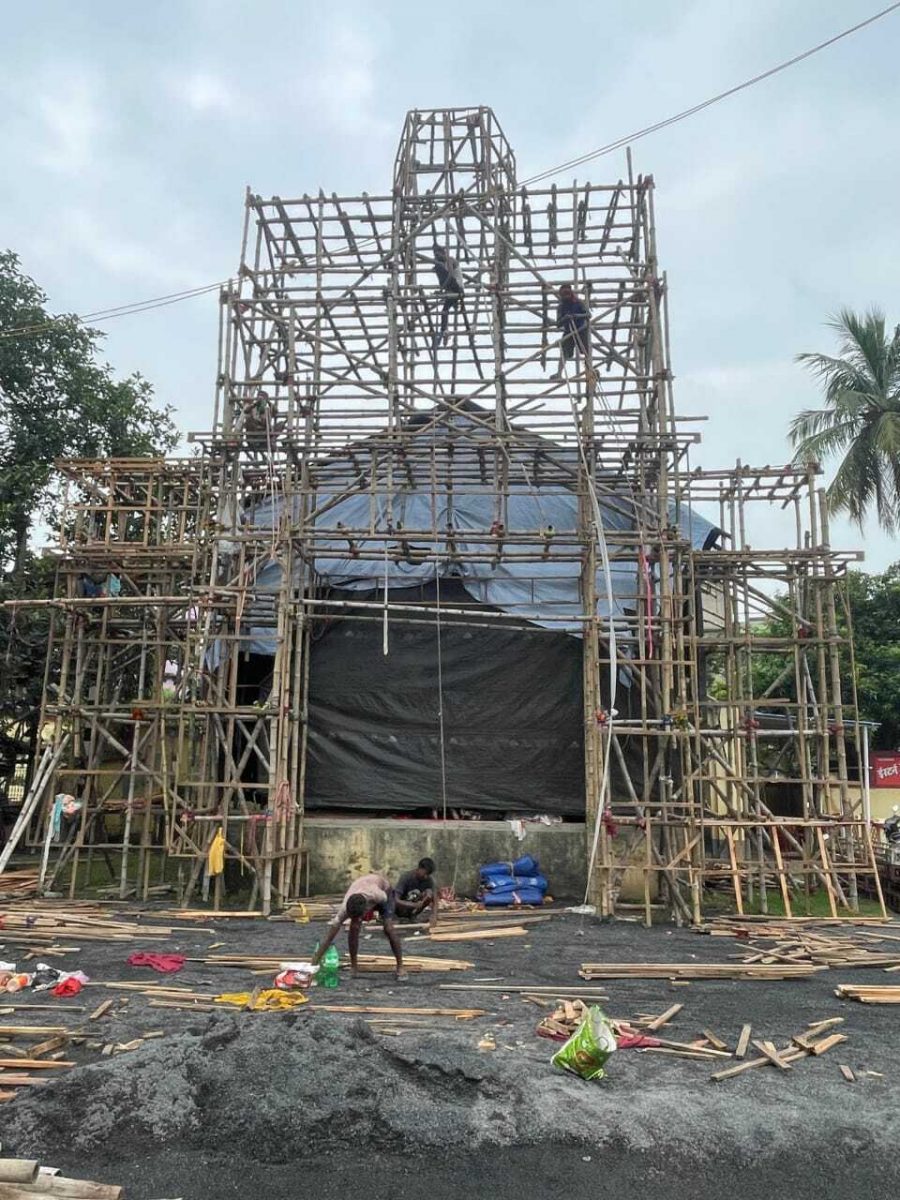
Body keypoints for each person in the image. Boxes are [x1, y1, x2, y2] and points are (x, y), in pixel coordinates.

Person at [311, 872, 406, 980]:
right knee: (354, 928)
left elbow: (386, 900)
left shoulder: (377, 895)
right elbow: (329, 937)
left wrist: (375, 911)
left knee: (388, 928)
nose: (356, 920)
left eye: (358, 917)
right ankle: (354, 967)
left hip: (385, 892)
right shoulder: (345, 908)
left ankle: (400, 966)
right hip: (364, 890)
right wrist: (314, 963)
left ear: (365, 909)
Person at [551, 283, 589, 379]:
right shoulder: (561, 307)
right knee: (564, 352)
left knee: (586, 351)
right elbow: (558, 323)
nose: (566, 295)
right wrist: (565, 318)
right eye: (564, 294)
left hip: (580, 329)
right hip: (569, 331)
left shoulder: (578, 303)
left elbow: (588, 315)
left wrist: (575, 316)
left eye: (567, 293)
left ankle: (589, 369)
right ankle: (559, 373)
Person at [432, 244, 464, 353]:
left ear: (443, 253)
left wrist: (442, 289)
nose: (437, 257)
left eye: (438, 255)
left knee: (438, 267)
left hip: (457, 288)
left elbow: (450, 276)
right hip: (454, 289)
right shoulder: (446, 262)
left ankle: (443, 331)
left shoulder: (450, 260)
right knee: (444, 311)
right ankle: (443, 330)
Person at [395, 857, 437, 926]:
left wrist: (434, 915)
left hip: (414, 909)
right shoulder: (406, 877)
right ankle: (399, 917)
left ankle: (413, 916)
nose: (426, 876)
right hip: (401, 909)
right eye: (425, 873)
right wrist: (412, 905)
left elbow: (435, 900)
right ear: (419, 868)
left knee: (429, 892)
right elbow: (396, 900)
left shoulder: (429, 880)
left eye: (428, 874)